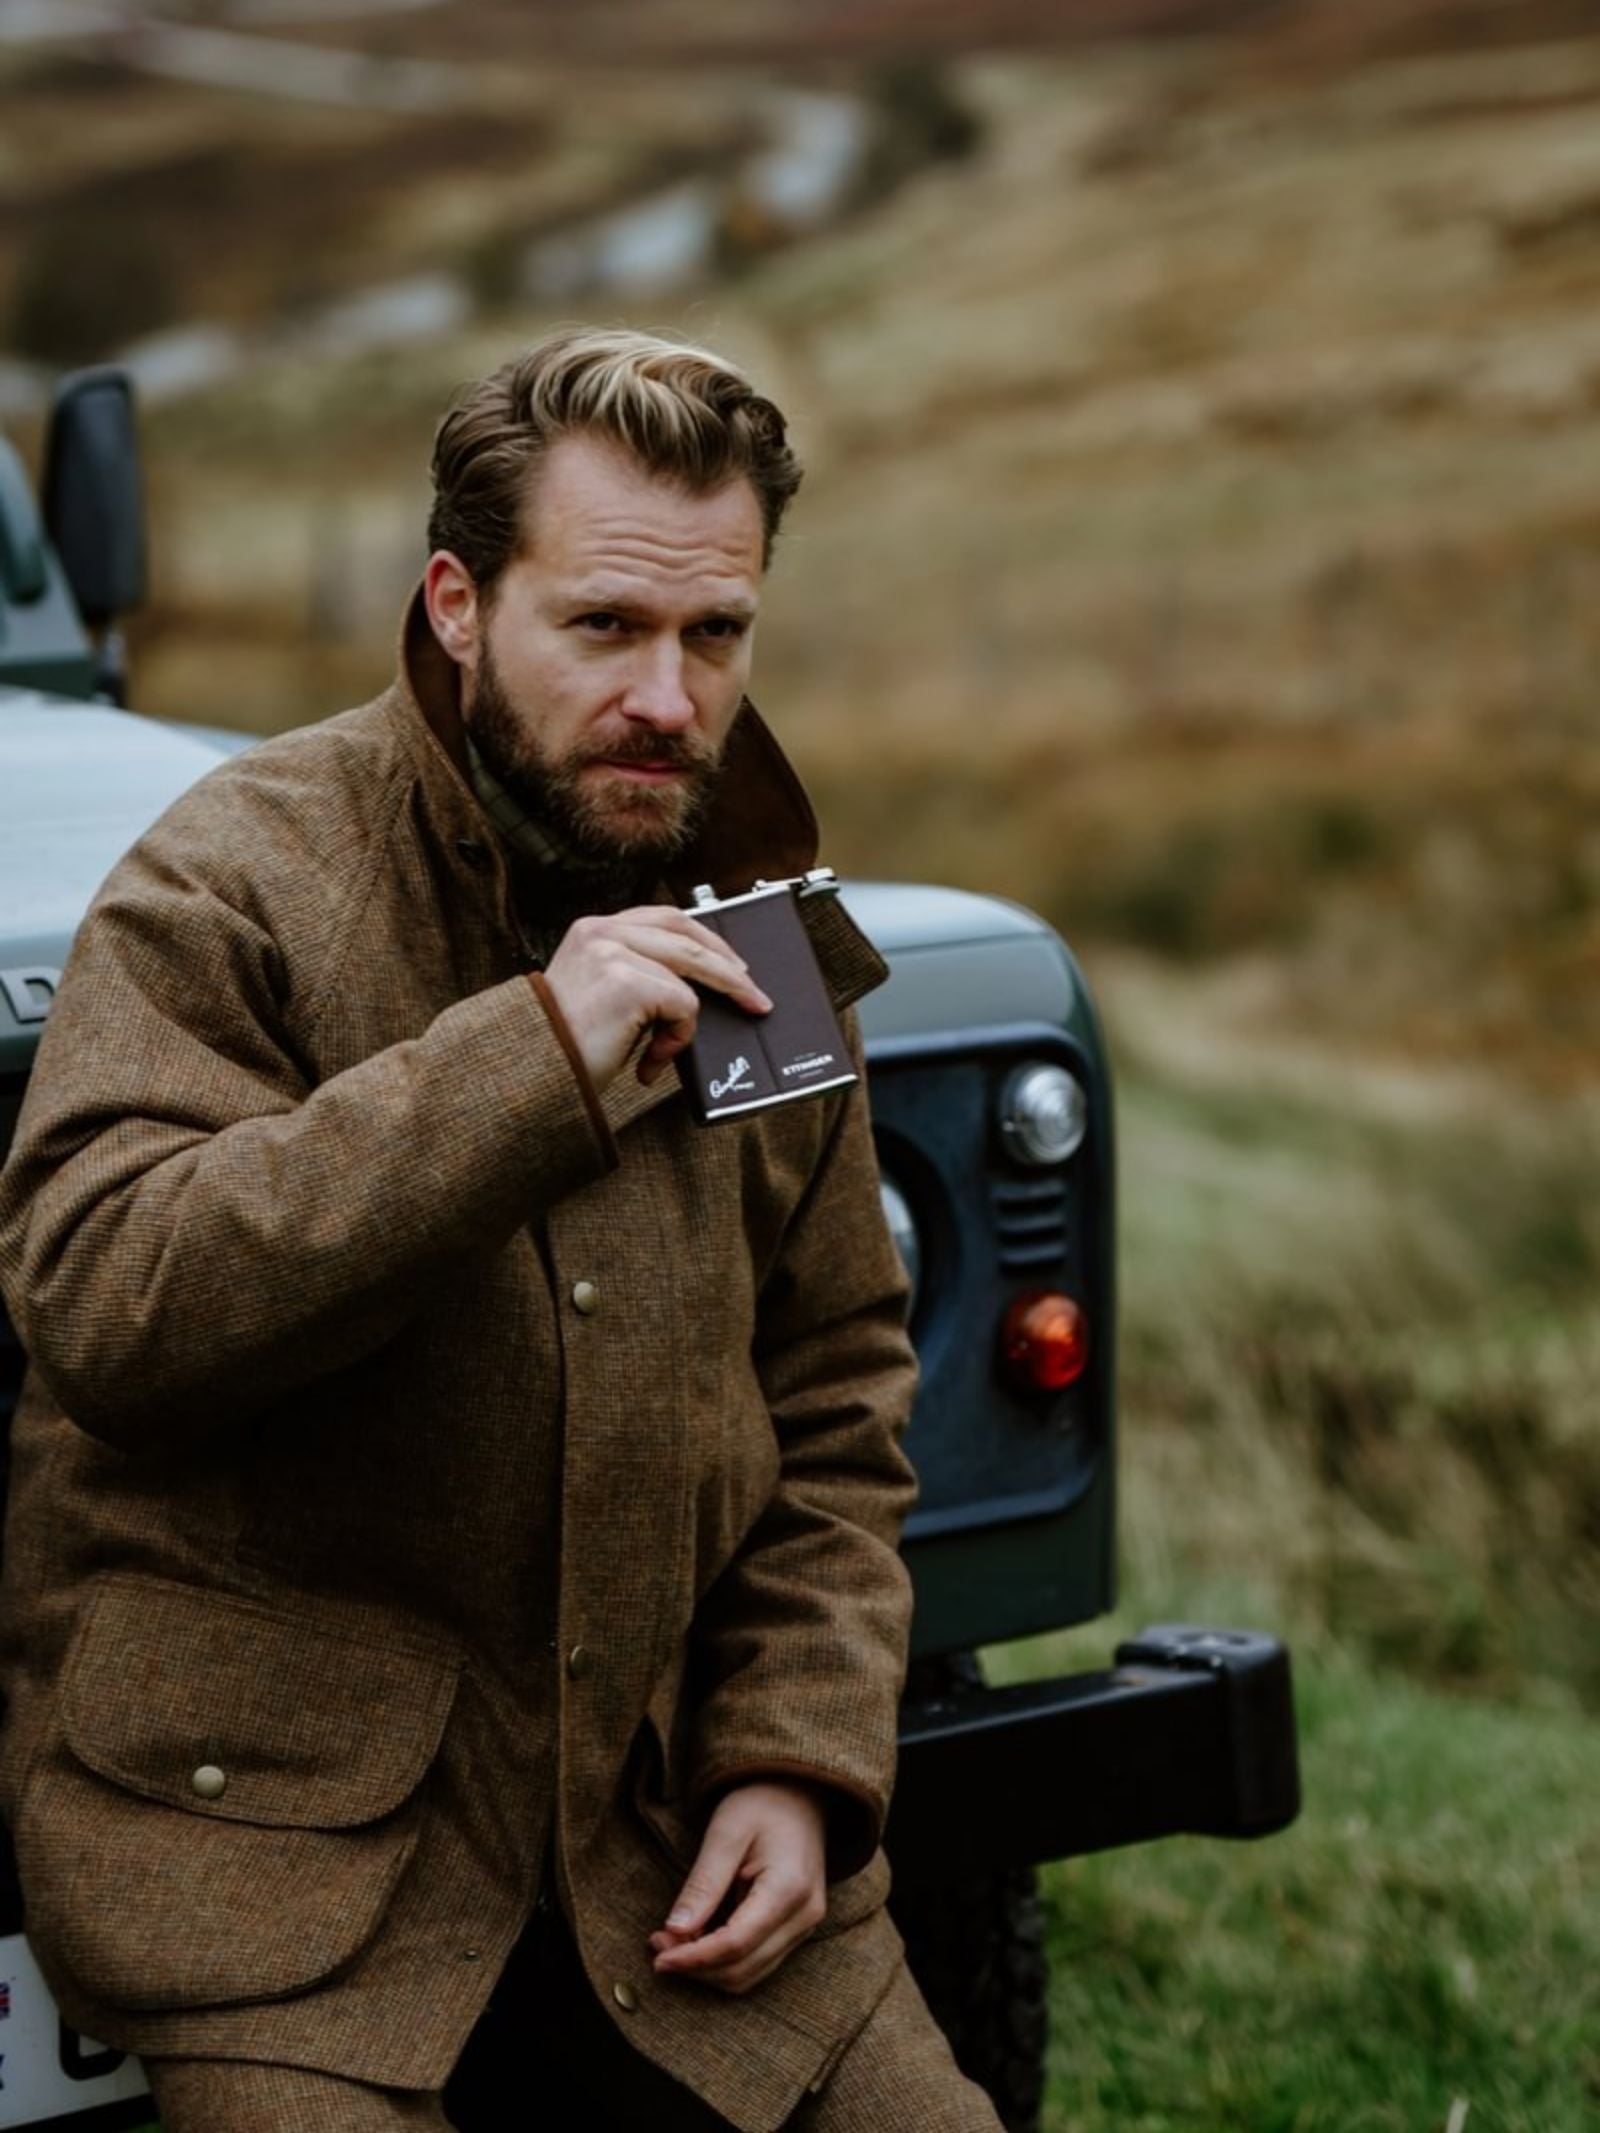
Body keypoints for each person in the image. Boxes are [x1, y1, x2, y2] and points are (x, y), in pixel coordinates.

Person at [0, 329, 1003, 2130]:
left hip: (677, 1837)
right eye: (605, 627)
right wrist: (532, 1061)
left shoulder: (756, 918)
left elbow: (842, 1384)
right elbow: (109, 1303)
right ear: (459, 604)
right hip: (288, 1867)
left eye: (719, 636)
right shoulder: (225, 881)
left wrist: (796, 1755)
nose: (670, 702)